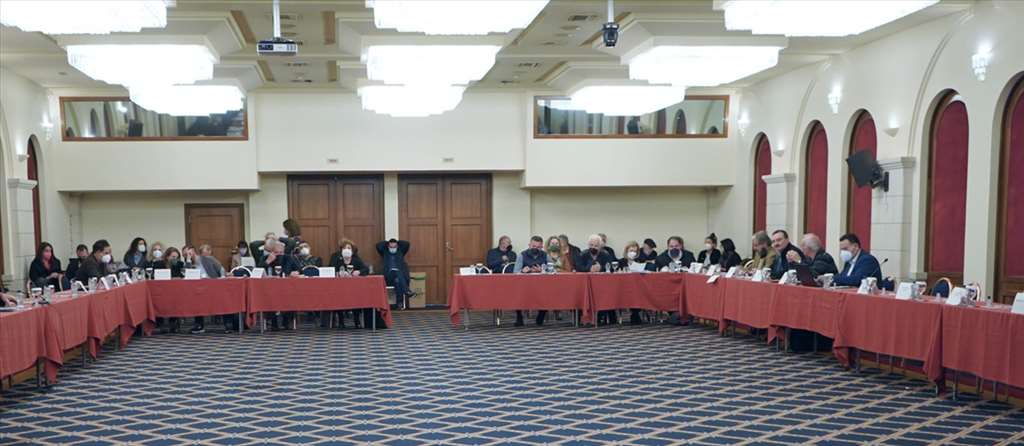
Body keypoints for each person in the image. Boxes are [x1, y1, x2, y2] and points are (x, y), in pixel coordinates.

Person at [260, 239, 301, 331]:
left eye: (281, 252)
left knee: (291, 297)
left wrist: (296, 273)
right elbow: (258, 271)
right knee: (270, 298)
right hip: (269, 289)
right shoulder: (266, 258)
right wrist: (268, 261)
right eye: (276, 252)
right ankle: (273, 323)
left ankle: (287, 322)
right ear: (271, 252)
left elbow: (299, 270)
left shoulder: (289, 258)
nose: (279, 255)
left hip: (287, 288)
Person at [329, 239, 371, 328]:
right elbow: (330, 270)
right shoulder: (337, 259)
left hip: (354, 288)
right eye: (344, 248)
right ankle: (341, 321)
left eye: (349, 248)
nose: (346, 250)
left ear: (352, 250)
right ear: (341, 250)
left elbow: (366, 269)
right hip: (339, 288)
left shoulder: (356, 259)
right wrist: (338, 273)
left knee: (356, 297)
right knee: (338, 297)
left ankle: (357, 320)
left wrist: (359, 272)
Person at [576, 234, 617, 325]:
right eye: (591, 245)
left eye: (596, 246)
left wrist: (601, 268)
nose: (593, 248)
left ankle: (604, 317)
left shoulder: (605, 254)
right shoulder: (582, 254)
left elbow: (611, 268)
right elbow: (578, 268)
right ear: (588, 245)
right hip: (585, 286)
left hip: (602, 285)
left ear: (600, 246)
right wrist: (589, 269)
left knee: (609, 293)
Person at [191, 244, 227, 334]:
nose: (206, 256)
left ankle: (227, 324)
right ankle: (199, 325)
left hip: (213, 285)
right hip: (198, 287)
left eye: (207, 253)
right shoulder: (192, 261)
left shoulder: (212, 259)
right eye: (203, 254)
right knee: (197, 300)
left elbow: (221, 269)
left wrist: (222, 277)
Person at [512, 236, 548, 326]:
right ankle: (519, 317)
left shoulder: (545, 255)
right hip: (524, 285)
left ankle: (542, 314)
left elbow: (552, 270)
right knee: (517, 292)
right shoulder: (522, 255)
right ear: (529, 245)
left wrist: (542, 270)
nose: (535, 248)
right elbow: (515, 272)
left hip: (541, 285)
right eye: (533, 246)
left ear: (542, 247)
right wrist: (522, 271)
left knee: (548, 291)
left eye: (538, 247)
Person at [377, 238, 413, 307]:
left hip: (399, 278)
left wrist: (397, 242)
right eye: (391, 247)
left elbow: (406, 244)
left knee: (397, 281)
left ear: (397, 246)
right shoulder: (384, 253)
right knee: (396, 272)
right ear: (388, 246)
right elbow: (378, 245)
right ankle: (407, 291)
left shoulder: (401, 252)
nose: (393, 248)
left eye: (394, 246)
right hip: (388, 277)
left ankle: (399, 303)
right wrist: (388, 242)